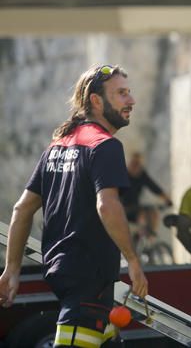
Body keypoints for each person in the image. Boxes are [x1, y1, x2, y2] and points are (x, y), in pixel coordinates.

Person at [0, 64, 148, 347]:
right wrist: (132, 259)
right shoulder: (105, 146)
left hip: (66, 274)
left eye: (129, 92)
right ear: (96, 100)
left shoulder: (58, 146)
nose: (131, 100)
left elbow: (22, 209)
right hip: (87, 281)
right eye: (121, 94)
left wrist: (12, 269)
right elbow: (107, 205)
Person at [121, 152, 172, 227]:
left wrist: (167, 199)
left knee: (152, 213)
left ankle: (151, 236)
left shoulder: (142, 175)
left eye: (138, 164)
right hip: (120, 209)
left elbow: (154, 187)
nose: (135, 167)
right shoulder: (122, 175)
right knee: (143, 216)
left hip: (135, 208)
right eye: (133, 163)